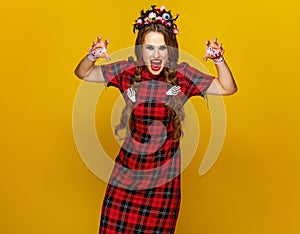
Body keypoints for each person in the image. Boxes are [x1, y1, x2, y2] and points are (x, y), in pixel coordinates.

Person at [74, 5, 237, 234]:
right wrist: (92, 55)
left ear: (170, 50)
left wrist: (219, 60)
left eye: (162, 48)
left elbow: (227, 88)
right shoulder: (128, 71)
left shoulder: (182, 76)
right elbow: (84, 73)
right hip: (127, 175)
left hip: (163, 179)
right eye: (150, 48)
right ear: (141, 49)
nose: (156, 55)